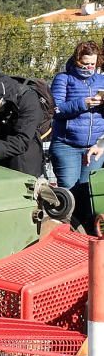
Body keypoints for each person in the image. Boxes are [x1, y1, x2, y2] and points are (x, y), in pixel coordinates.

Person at [50, 40, 104, 230]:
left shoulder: (101, 81)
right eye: (85, 63)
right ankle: (68, 233)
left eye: (93, 63)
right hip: (67, 145)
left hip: (94, 147)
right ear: (77, 60)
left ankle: (90, 233)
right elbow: (55, 109)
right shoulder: (63, 79)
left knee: (89, 193)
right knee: (69, 194)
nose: (89, 67)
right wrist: (83, 104)